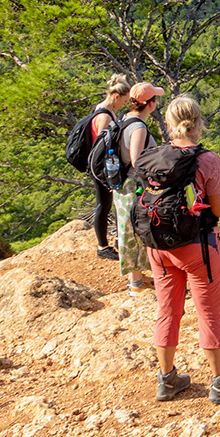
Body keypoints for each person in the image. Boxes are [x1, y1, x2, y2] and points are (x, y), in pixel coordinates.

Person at [146, 95, 220, 404]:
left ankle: (167, 379)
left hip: (158, 246)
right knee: (210, 313)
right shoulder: (207, 159)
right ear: (199, 124)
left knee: (167, 310)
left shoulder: (153, 156)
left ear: (168, 125)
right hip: (198, 246)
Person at [116, 82, 164, 298]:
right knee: (140, 230)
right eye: (155, 99)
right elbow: (137, 161)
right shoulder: (138, 127)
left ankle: (136, 280)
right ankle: (136, 283)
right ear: (151, 104)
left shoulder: (124, 119)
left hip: (122, 185)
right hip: (134, 186)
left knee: (129, 230)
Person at [89, 74, 131, 261]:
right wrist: (108, 176)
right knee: (103, 205)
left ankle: (112, 241)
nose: (124, 104)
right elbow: (103, 148)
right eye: (124, 100)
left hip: (101, 167)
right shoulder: (105, 116)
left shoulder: (101, 109)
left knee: (110, 203)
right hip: (102, 168)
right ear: (116, 97)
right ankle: (102, 247)